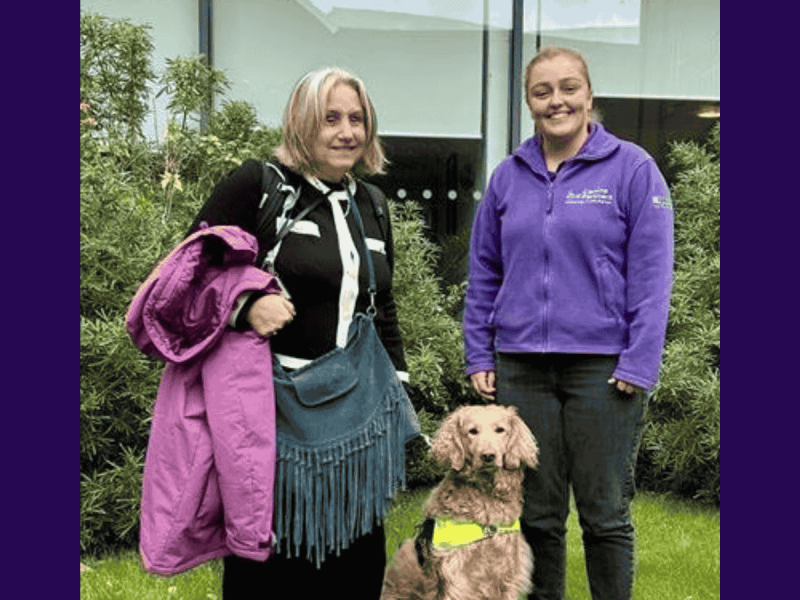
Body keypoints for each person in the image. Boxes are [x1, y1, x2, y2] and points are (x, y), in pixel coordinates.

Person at [186, 67, 410, 598]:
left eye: (357, 119)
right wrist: (245, 306)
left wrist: (399, 392)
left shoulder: (372, 204)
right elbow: (185, 279)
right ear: (301, 122)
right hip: (272, 419)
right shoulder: (256, 186)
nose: (346, 132)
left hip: (354, 422)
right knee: (272, 568)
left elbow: (383, 307)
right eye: (330, 118)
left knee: (357, 566)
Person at [463, 47, 673, 600]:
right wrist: (481, 354)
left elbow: (652, 276)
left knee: (605, 515)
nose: (557, 100)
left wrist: (640, 358)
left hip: (603, 371)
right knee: (537, 516)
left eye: (569, 88)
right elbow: (484, 269)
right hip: (522, 367)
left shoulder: (632, 169)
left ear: (589, 95)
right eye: (542, 91)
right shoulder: (508, 177)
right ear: (529, 102)